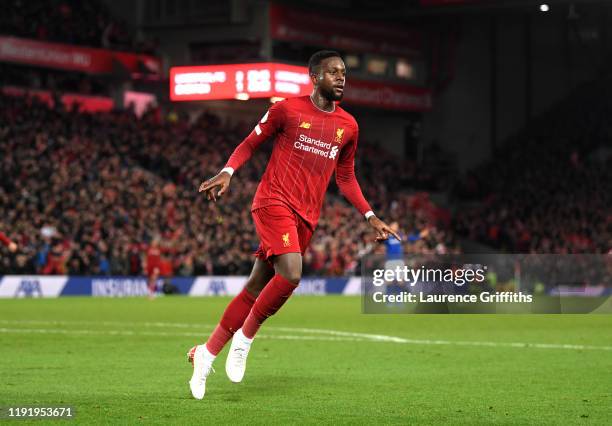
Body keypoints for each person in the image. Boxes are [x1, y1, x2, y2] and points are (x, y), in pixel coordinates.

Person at [188, 50, 401, 400]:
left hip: (306, 216)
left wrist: (370, 216)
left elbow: (345, 177)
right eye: (333, 72)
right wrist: (227, 171)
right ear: (315, 77)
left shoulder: (349, 126)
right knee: (291, 272)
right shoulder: (287, 109)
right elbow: (250, 143)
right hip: (273, 202)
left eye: (344, 72)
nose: (341, 78)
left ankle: (205, 354)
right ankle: (245, 338)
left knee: (257, 285)